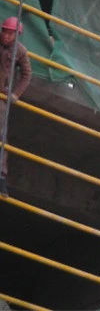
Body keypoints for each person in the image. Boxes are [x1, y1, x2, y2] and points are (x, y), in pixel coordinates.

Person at [0, 16, 32, 198]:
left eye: (10, 33)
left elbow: (27, 74)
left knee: (1, 136)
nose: (6, 36)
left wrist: (15, 94)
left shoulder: (20, 51)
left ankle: (1, 178)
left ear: (16, 35)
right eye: (4, 31)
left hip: (1, 98)